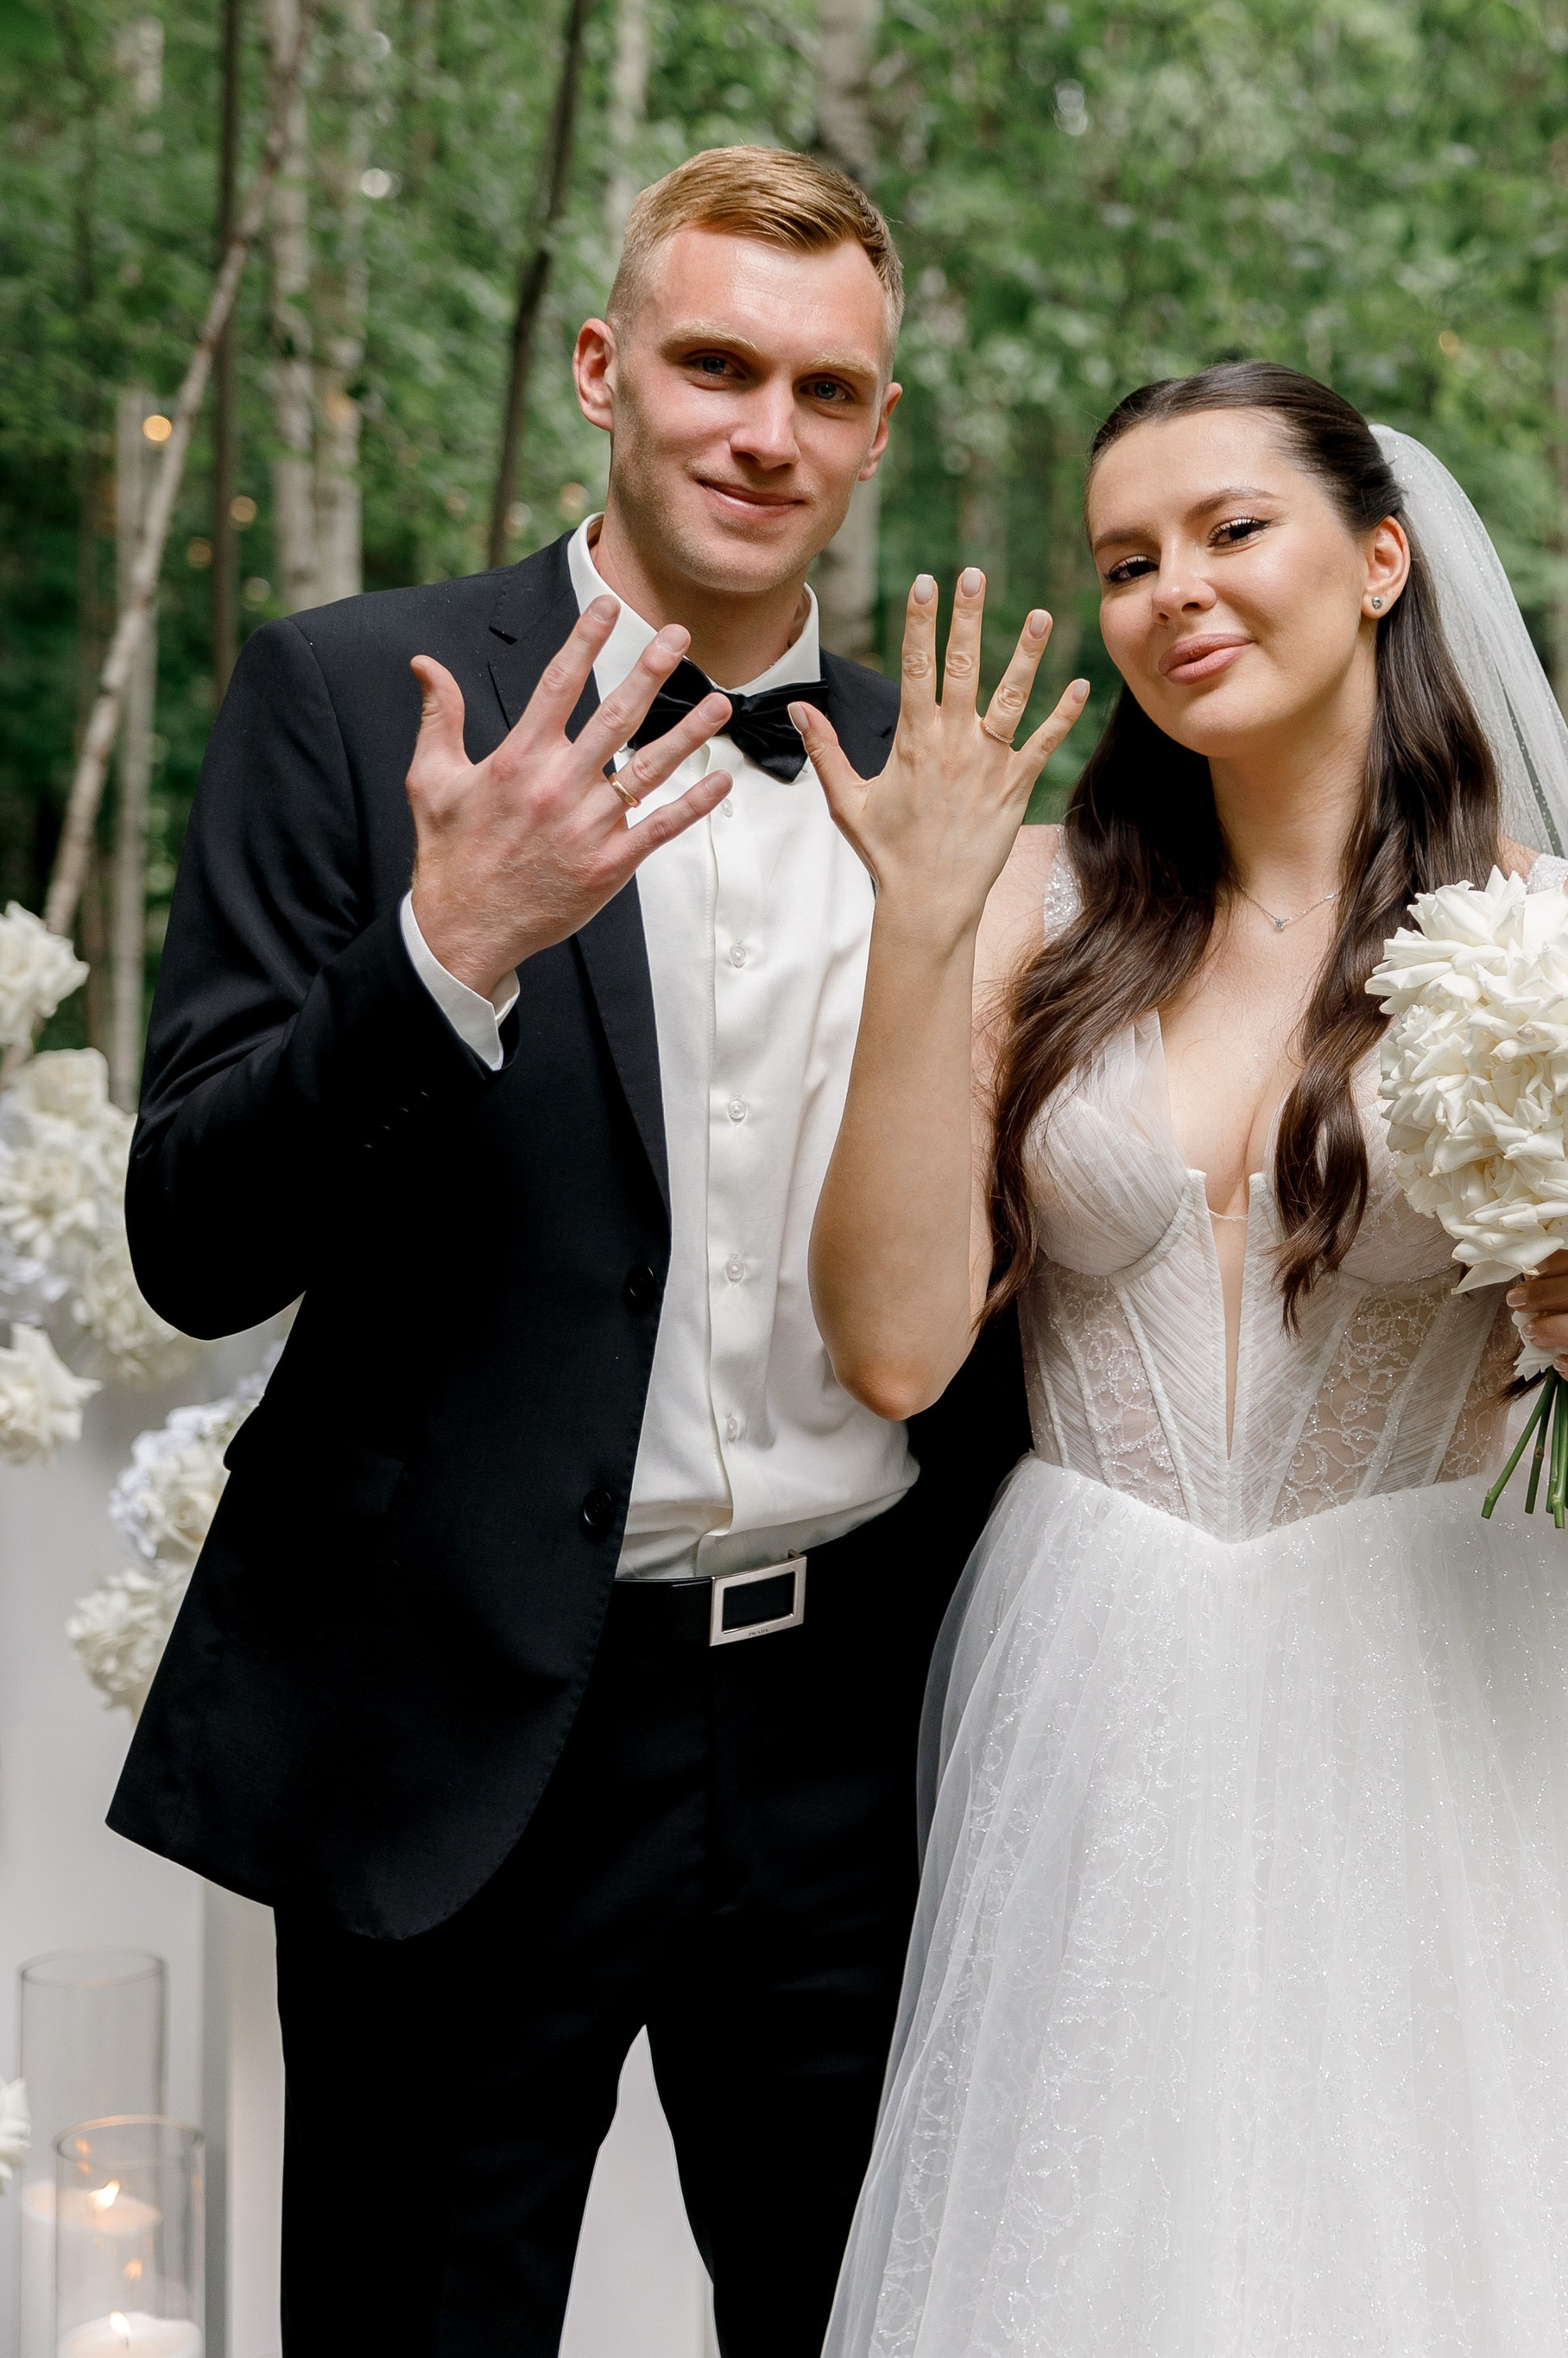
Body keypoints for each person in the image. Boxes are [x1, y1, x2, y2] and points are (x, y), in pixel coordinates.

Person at [795, 357, 1568, 2358]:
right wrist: (919, 933)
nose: (1172, 592)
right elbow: (886, 1341)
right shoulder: (1035, 910)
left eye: (1228, 530)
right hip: (1097, 1676)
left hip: (1456, 1697)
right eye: (1124, 558)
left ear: (1378, 557)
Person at [114, 146, 1032, 2358]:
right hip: (463, 1721)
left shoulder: (957, 770)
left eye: (825, 389)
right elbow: (192, 1237)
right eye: (715, 364)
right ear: (607, 373)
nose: (763, 430)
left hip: (859, 1733)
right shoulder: (357, 696)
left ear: (878, 429)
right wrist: (446, 948)